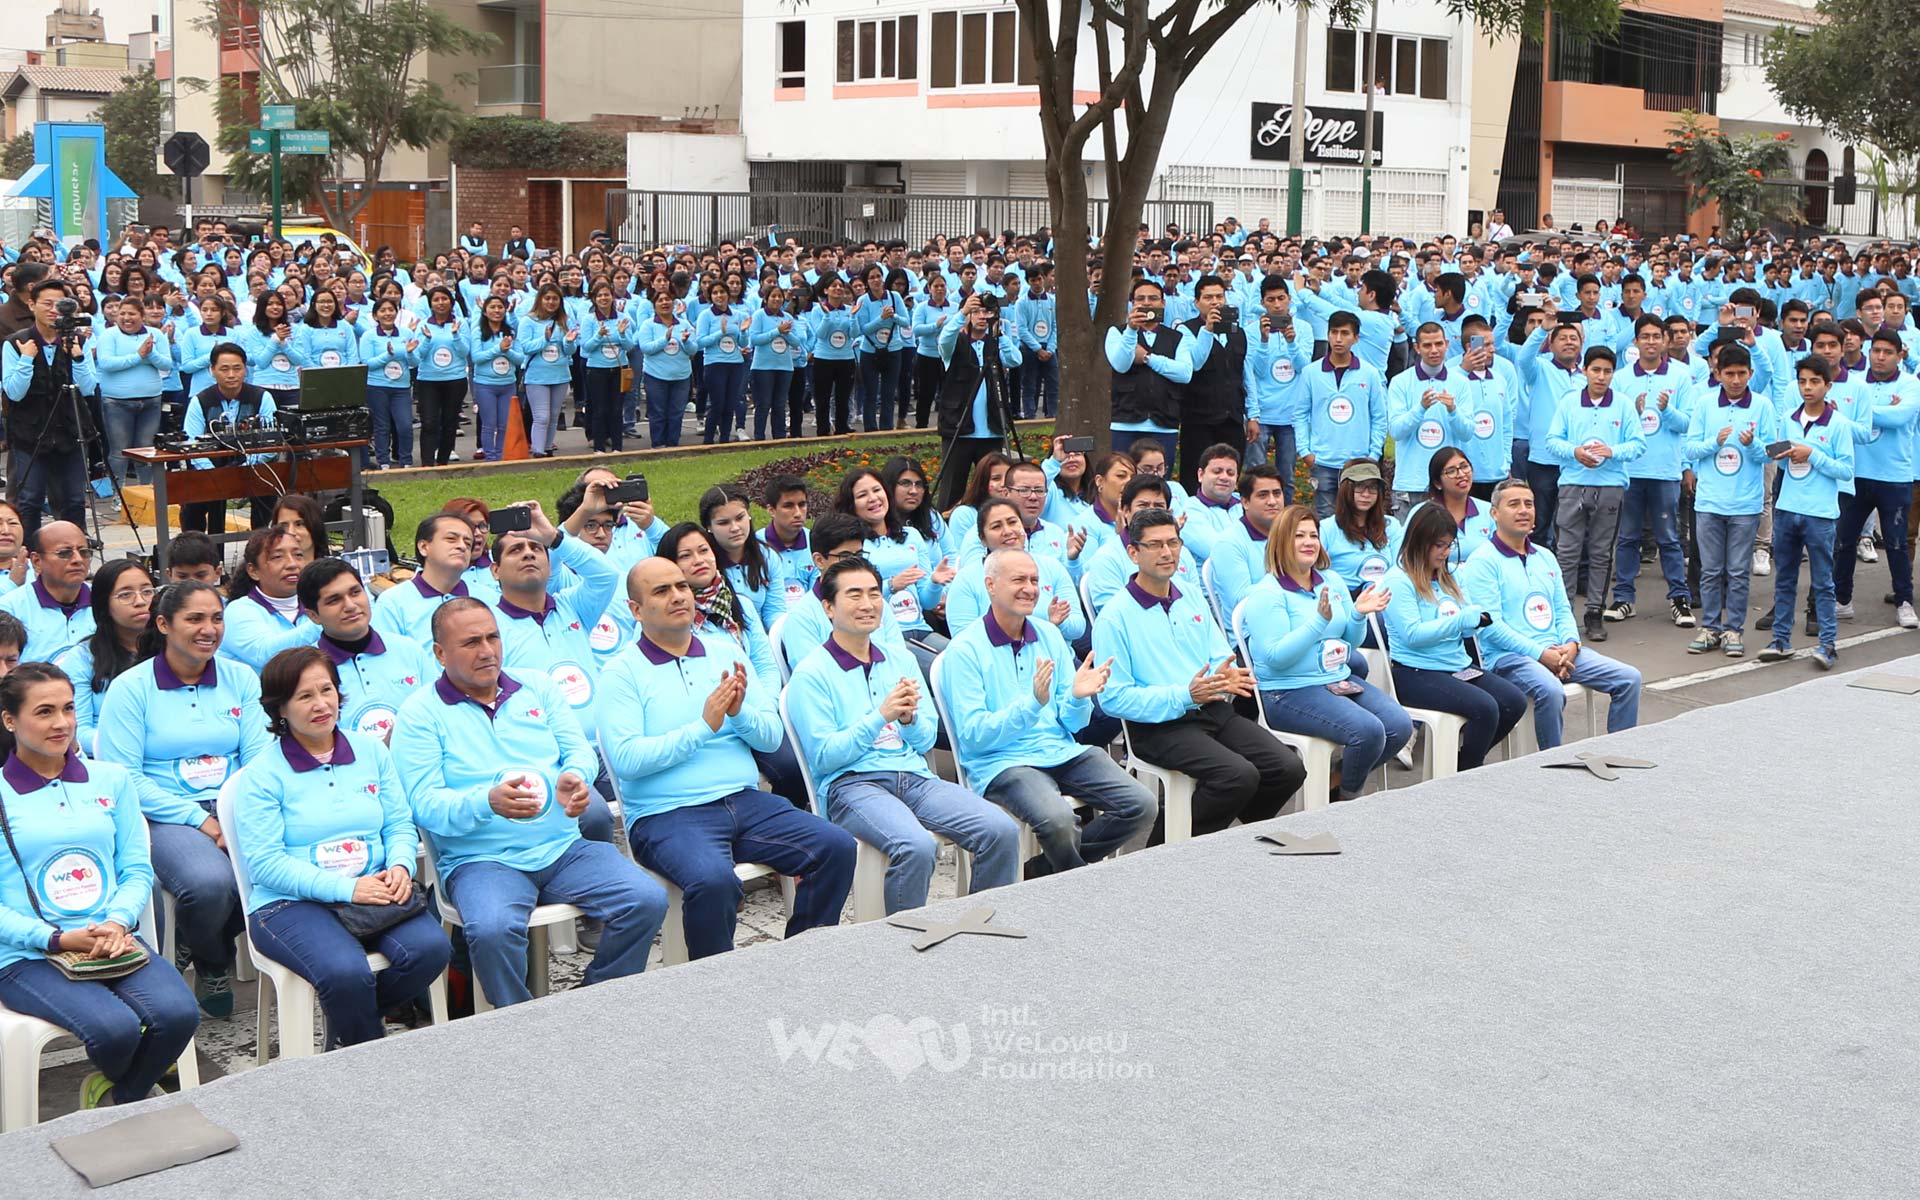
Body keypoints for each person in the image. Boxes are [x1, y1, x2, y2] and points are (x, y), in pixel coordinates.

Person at [392, 600, 666, 1007]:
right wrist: (486, 802)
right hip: (481, 860)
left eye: (493, 637)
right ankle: (520, 1021)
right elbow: (424, 806)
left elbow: (579, 751)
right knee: (492, 930)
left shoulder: (536, 686)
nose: (487, 651)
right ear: (439, 653)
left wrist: (575, 777)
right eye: (471, 642)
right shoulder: (419, 714)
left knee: (646, 899)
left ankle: (591, 1004)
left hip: (562, 847)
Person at [596, 558, 855, 959]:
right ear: (636, 609)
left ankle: (802, 961)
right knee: (713, 881)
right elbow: (628, 760)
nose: (678, 596)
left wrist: (739, 714)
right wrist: (704, 726)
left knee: (835, 846)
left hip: (743, 801)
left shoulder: (724, 653)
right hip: (667, 813)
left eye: (681, 586)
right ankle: (716, 982)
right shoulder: (621, 672)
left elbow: (770, 737)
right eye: (661, 591)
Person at [0, 662, 199, 1111]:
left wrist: (117, 922)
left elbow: (135, 868)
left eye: (69, 709)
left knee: (179, 1014)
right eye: (45, 712)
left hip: (112, 938)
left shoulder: (112, 779)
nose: (62, 723)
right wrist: (54, 938)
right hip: (27, 954)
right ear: (10, 720)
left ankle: (115, 1097)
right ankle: (130, 1097)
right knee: (115, 1029)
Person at [233, 646, 450, 1048]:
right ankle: (364, 1055)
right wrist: (348, 889)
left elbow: (398, 824)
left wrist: (401, 866)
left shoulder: (371, 750)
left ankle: (350, 1030)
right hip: (290, 903)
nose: (321, 704)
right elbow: (266, 864)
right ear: (280, 708)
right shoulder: (262, 775)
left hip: (374, 889)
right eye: (304, 696)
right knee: (345, 973)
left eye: (327, 690)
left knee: (431, 949)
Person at [785, 557, 1019, 914]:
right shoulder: (812, 673)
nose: (868, 604)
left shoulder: (899, 659)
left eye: (874, 594)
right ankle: (901, 940)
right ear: (828, 607)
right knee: (916, 846)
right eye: (854, 595)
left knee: (1000, 830)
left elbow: (925, 742)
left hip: (913, 776)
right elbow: (825, 758)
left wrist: (908, 720)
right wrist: (879, 718)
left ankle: (981, 923)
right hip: (852, 785)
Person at [95, 582, 268, 1018]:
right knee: (209, 883)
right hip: (165, 814)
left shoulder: (240, 678)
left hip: (238, 804)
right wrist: (200, 819)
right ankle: (214, 960)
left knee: (274, 867)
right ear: (163, 624)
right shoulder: (131, 689)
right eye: (194, 619)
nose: (209, 629)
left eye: (217, 618)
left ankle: (193, 939)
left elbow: (259, 759)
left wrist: (234, 815)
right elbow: (124, 777)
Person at [941, 549, 1157, 875]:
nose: (1030, 588)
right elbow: (974, 736)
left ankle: (1039, 874)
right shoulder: (964, 650)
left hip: (1060, 749)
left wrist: (1078, 698)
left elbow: (1073, 724)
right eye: (1019, 580)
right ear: (990, 585)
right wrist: (1031, 705)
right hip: (1003, 762)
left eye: (1034, 580)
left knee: (1141, 805)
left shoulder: (1049, 634)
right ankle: (1075, 881)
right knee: (1059, 822)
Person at [1095, 508, 1306, 836]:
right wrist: (1183, 694)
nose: (1167, 552)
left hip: (1211, 709)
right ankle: (1163, 851)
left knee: (1287, 768)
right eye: (1155, 545)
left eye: (1173, 542)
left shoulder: (1189, 594)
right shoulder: (1114, 617)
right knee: (1237, 776)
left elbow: (1219, 653)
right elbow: (1113, 699)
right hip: (1157, 725)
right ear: (1133, 553)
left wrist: (1227, 675)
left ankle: (1217, 837)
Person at [1241, 504, 1411, 800]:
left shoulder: (1330, 580)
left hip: (1335, 678)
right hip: (1288, 690)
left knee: (1399, 725)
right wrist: (1318, 622)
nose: (1309, 542)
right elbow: (1275, 658)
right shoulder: (1267, 593)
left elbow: (1349, 643)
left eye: (1313, 535)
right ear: (1281, 541)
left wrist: (1357, 615)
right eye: (1299, 536)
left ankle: (1336, 783)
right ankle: (1349, 801)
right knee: (1368, 731)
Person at [1460, 477, 1644, 749]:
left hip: (1559, 650)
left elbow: (1562, 608)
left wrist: (1572, 643)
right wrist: (1540, 654)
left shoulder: (1545, 556)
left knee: (1629, 679)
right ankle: (1552, 761)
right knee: (1551, 690)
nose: (1524, 510)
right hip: (1509, 657)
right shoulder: (1482, 561)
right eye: (1514, 504)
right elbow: (1491, 628)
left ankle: (1619, 752)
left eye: (1529, 504)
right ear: (1495, 513)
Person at [486, 501, 618, 845]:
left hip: (606, 744)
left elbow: (607, 575)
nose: (529, 554)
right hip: (550, 754)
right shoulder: (490, 628)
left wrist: (554, 536)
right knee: (594, 815)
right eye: (516, 550)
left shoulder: (573, 605)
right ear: (495, 570)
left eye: (536, 548)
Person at [1380, 503, 1526, 771]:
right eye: (1439, 546)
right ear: (1419, 542)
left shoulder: (1450, 574)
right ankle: (1468, 771)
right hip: (1415, 671)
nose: (1446, 552)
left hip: (1457, 665)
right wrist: (1459, 621)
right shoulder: (1398, 580)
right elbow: (1412, 635)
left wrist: (1474, 623)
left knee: (1514, 702)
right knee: (1485, 708)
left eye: (1449, 545)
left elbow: (1465, 622)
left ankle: (1461, 765)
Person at [1546, 344, 1647, 642]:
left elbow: (1638, 444)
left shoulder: (1623, 404)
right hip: (1573, 484)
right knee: (1566, 552)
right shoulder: (1569, 402)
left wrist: (1611, 451)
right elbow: (1552, 440)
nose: (1601, 376)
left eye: (1607, 371)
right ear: (1585, 371)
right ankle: (1563, 615)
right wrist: (1574, 451)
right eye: (1596, 370)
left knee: (1601, 553)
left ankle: (1594, 612)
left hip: (1610, 486)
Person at [1758, 357, 1854, 669]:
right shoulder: (1789, 418)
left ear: (1828, 385)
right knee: (1784, 578)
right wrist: (1777, 453)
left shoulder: (1838, 424)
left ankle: (1828, 644)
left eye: (1814, 381)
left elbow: (1846, 469)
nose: (1807, 387)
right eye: (1802, 381)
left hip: (1820, 512)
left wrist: (1813, 454)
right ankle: (1780, 639)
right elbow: (1780, 459)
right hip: (1788, 508)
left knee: (1823, 582)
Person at [1682, 343, 1776, 655]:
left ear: (1750, 373)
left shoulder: (1762, 406)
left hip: (1745, 504)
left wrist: (1752, 445)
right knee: (1710, 570)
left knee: (1737, 571)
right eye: (1730, 373)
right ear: (1718, 373)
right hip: (1709, 502)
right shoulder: (1704, 404)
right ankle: (1710, 627)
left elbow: (1771, 452)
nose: (1736, 380)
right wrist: (1714, 442)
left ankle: (1733, 630)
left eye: (1741, 373)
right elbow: (1690, 448)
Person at [1605, 315, 1697, 629]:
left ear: (1665, 340)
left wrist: (1667, 410)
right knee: (1627, 537)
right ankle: (1623, 597)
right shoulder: (1621, 378)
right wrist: (1632, 411)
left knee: (1669, 538)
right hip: (1630, 470)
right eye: (1645, 336)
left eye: (1657, 336)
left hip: (1665, 470)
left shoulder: (1680, 377)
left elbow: (1687, 424)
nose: (1651, 342)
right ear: (1636, 341)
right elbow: (1613, 426)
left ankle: (1679, 598)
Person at [1833, 327, 1920, 628]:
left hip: (1895, 476)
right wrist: (1879, 410)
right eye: (1876, 351)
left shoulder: (1911, 384)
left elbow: (1900, 417)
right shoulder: (1856, 382)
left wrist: (1859, 414)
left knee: (1896, 543)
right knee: (1844, 540)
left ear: (1899, 356)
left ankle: (1904, 601)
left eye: (1888, 352)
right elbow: (1839, 418)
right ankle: (1842, 599)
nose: (1880, 357)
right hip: (1856, 475)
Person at [1, 278, 98, 536]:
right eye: (47, 303)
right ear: (31, 305)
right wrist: (26, 359)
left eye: (60, 304)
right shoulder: (16, 343)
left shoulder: (77, 341)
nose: (54, 310)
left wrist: (77, 357)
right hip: (30, 434)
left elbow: (88, 388)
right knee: (29, 499)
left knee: (74, 499)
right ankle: (29, 551)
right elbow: (14, 392)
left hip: (70, 431)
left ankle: (74, 547)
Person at [300, 558, 433, 742]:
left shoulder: (409, 650)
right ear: (313, 616)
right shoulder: (305, 671)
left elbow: (438, 715)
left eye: (355, 592)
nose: (350, 605)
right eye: (334, 600)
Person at [935, 292, 1024, 510]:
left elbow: (1015, 360)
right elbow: (944, 341)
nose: (982, 316)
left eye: (987, 312)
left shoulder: (996, 343)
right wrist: (961, 313)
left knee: (992, 490)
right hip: (959, 428)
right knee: (952, 487)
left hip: (992, 430)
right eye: (976, 312)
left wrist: (999, 335)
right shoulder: (956, 342)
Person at [57, 560, 154, 757]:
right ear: (103, 604)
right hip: (108, 757)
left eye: (147, 591)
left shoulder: (173, 650)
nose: (140, 601)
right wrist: (130, 742)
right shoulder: (82, 658)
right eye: (125, 594)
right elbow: (77, 730)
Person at [179, 341, 277, 533]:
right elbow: (191, 442)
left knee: (266, 494)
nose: (231, 375)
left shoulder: (262, 397)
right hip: (210, 468)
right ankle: (198, 548)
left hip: (254, 467)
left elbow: (272, 440)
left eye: (237, 368)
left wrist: (246, 466)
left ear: (245, 370)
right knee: (191, 508)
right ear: (212, 370)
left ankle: (261, 543)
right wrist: (214, 475)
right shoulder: (200, 401)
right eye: (224, 369)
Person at [1299, 310, 1389, 517]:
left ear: (1356, 338)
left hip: (1359, 462)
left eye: (1345, 333)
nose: (1338, 339)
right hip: (1323, 461)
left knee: (1359, 519)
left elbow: (1379, 417)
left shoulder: (1369, 373)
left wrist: (1373, 455)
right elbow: (1300, 414)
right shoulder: (1311, 372)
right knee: (1325, 519)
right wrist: (1305, 451)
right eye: (1334, 332)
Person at [1387, 323, 1474, 511]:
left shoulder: (1461, 383)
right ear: (1417, 348)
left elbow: (1467, 433)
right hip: (1411, 482)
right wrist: (1420, 408)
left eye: (1438, 344)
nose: (1434, 350)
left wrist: (1453, 410)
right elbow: (1396, 431)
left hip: (1448, 483)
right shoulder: (1400, 382)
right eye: (1427, 345)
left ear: (1447, 344)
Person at [1105, 278, 1194, 461]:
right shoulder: (1117, 332)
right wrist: (1131, 330)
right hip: (1125, 422)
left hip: (1164, 423)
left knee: (1159, 475)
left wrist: (1148, 358)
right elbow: (1121, 365)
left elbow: (1184, 373)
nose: (1146, 303)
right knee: (1123, 473)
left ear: (1163, 303)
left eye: (1153, 298)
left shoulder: (1177, 337)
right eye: (1140, 298)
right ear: (1132, 303)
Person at [1200, 462, 1289, 630]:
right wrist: (1292, 584)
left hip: (1294, 621)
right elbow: (1241, 600)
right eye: (1263, 495)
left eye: (1277, 494)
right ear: (1245, 502)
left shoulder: (1291, 534)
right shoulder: (1229, 544)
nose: (1272, 501)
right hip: (1252, 633)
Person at [219, 526, 319, 671]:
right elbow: (266, 654)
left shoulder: (315, 603)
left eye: (298, 555)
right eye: (277, 557)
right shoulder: (238, 611)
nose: (292, 564)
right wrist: (325, 621)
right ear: (253, 571)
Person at [372, 514, 479, 645]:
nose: (462, 546)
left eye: (468, 543)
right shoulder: (392, 603)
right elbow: (388, 654)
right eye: (451, 539)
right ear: (423, 547)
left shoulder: (489, 598)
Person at [0, 522, 95, 663]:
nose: (78, 560)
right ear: (37, 561)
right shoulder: (10, 609)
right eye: (65, 553)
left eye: (84, 552)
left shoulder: (106, 600)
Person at [701, 485, 790, 628]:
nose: (735, 528)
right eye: (724, 523)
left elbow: (774, 611)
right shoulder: (703, 562)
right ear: (709, 527)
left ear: (748, 515)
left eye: (740, 518)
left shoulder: (767, 556)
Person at [1407, 448, 1495, 569]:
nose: (1461, 474)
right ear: (1437, 483)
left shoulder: (1489, 510)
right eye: (1451, 471)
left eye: (1464, 467)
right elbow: (1408, 556)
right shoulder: (1421, 513)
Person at [358, 297, 419, 469]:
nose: (387, 314)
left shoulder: (406, 333)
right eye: (383, 310)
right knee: (381, 426)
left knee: (405, 425)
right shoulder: (369, 336)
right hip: (376, 387)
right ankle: (383, 461)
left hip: (401, 387)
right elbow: (367, 363)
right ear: (375, 315)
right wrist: (387, 355)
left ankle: (406, 460)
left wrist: (410, 353)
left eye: (391, 310)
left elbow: (414, 362)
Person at [1176, 443, 1244, 562]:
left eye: (1230, 473)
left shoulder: (1246, 504)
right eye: (1217, 471)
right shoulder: (1189, 512)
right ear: (1200, 475)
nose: (1224, 477)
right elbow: (1221, 554)